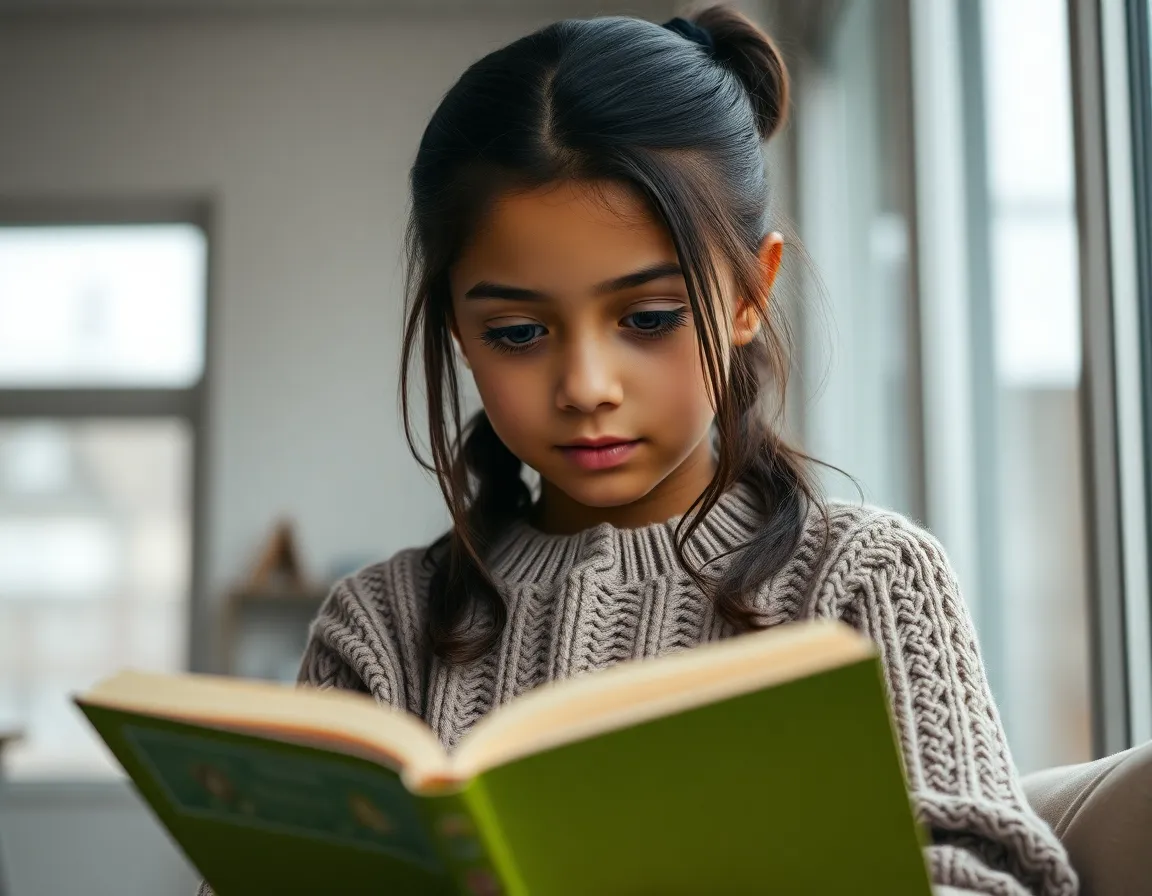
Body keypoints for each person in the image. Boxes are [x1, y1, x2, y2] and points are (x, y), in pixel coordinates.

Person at [198, 6, 1076, 895]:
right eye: (515, 331)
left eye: (648, 318)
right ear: (458, 331)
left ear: (748, 293)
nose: (585, 385)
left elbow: (986, 880)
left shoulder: (862, 580)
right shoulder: (380, 631)